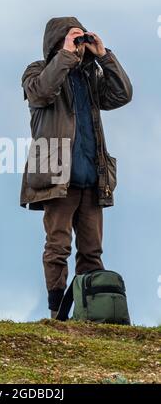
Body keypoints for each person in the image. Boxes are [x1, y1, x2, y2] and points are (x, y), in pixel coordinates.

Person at [19, 16, 133, 319]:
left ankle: (91, 313)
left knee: (92, 251)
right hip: (58, 177)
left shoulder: (89, 77)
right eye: (73, 37)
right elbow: (42, 92)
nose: (79, 43)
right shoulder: (38, 71)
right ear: (57, 41)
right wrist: (66, 55)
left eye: (82, 38)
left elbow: (122, 95)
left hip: (92, 177)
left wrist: (104, 55)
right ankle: (58, 313)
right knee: (57, 247)